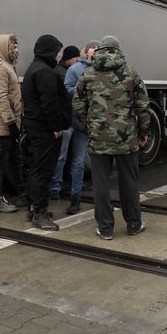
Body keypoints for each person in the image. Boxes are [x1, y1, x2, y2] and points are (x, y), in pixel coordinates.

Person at [73, 36, 149, 239]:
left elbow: (78, 105)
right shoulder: (131, 73)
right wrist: (143, 132)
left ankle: (105, 228)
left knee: (101, 184)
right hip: (127, 139)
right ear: (118, 49)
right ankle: (133, 223)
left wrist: (89, 126)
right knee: (129, 182)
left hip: (98, 139)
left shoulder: (88, 74)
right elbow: (143, 106)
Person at [22, 34, 71, 230]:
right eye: (57, 52)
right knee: (43, 171)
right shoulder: (45, 72)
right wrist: (56, 127)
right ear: (49, 51)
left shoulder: (33, 69)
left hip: (36, 128)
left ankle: (34, 208)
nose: (58, 56)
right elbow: (49, 104)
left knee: (36, 169)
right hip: (45, 131)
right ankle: (40, 213)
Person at [0, 34, 26, 213]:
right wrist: (10, 123)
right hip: (0, 125)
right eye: (13, 47)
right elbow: (0, 98)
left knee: (14, 160)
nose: (16, 50)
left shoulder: (7, 66)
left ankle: (23, 193)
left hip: (8, 124)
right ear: (3, 48)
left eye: (16, 46)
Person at [63, 39, 100, 214]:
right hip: (81, 124)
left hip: (101, 126)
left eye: (97, 48)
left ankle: (101, 196)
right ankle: (75, 197)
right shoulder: (75, 69)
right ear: (85, 52)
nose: (94, 50)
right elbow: (68, 89)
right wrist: (83, 89)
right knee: (78, 162)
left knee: (101, 162)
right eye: (92, 47)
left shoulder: (104, 70)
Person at [47, 45, 82, 199]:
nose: (78, 61)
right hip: (67, 119)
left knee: (68, 155)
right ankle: (55, 186)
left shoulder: (64, 70)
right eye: (75, 58)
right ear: (69, 58)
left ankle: (64, 184)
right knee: (62, 155)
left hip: (72, 118)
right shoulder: (61, 72)